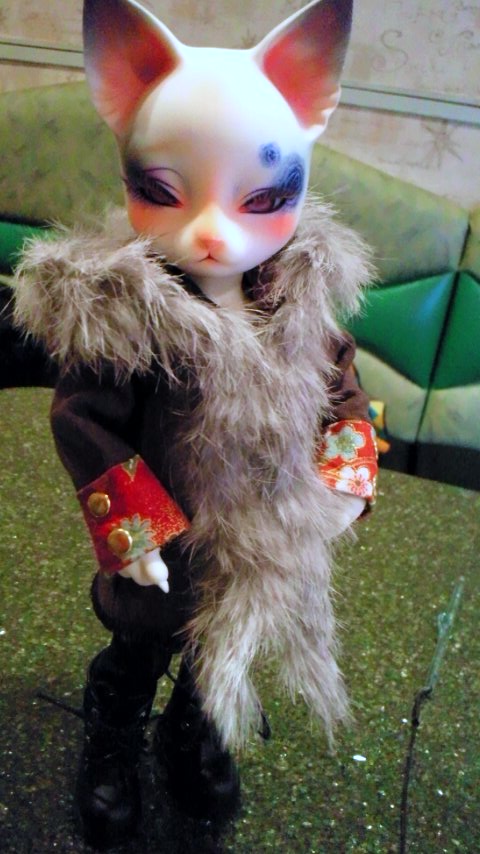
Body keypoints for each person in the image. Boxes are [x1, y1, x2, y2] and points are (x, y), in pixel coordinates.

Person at [14, 0, 378, 848]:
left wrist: (343, 480)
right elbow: (84, 418)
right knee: (137, 649)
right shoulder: (124, 315)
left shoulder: (298, 307)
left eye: (261, 199)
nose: (212, 232)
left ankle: (195, 730)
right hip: (164, 538)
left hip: (258, 535)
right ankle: (112, 737)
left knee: (221, 652)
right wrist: (133, 527)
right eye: (164, 192)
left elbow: (343, 396)